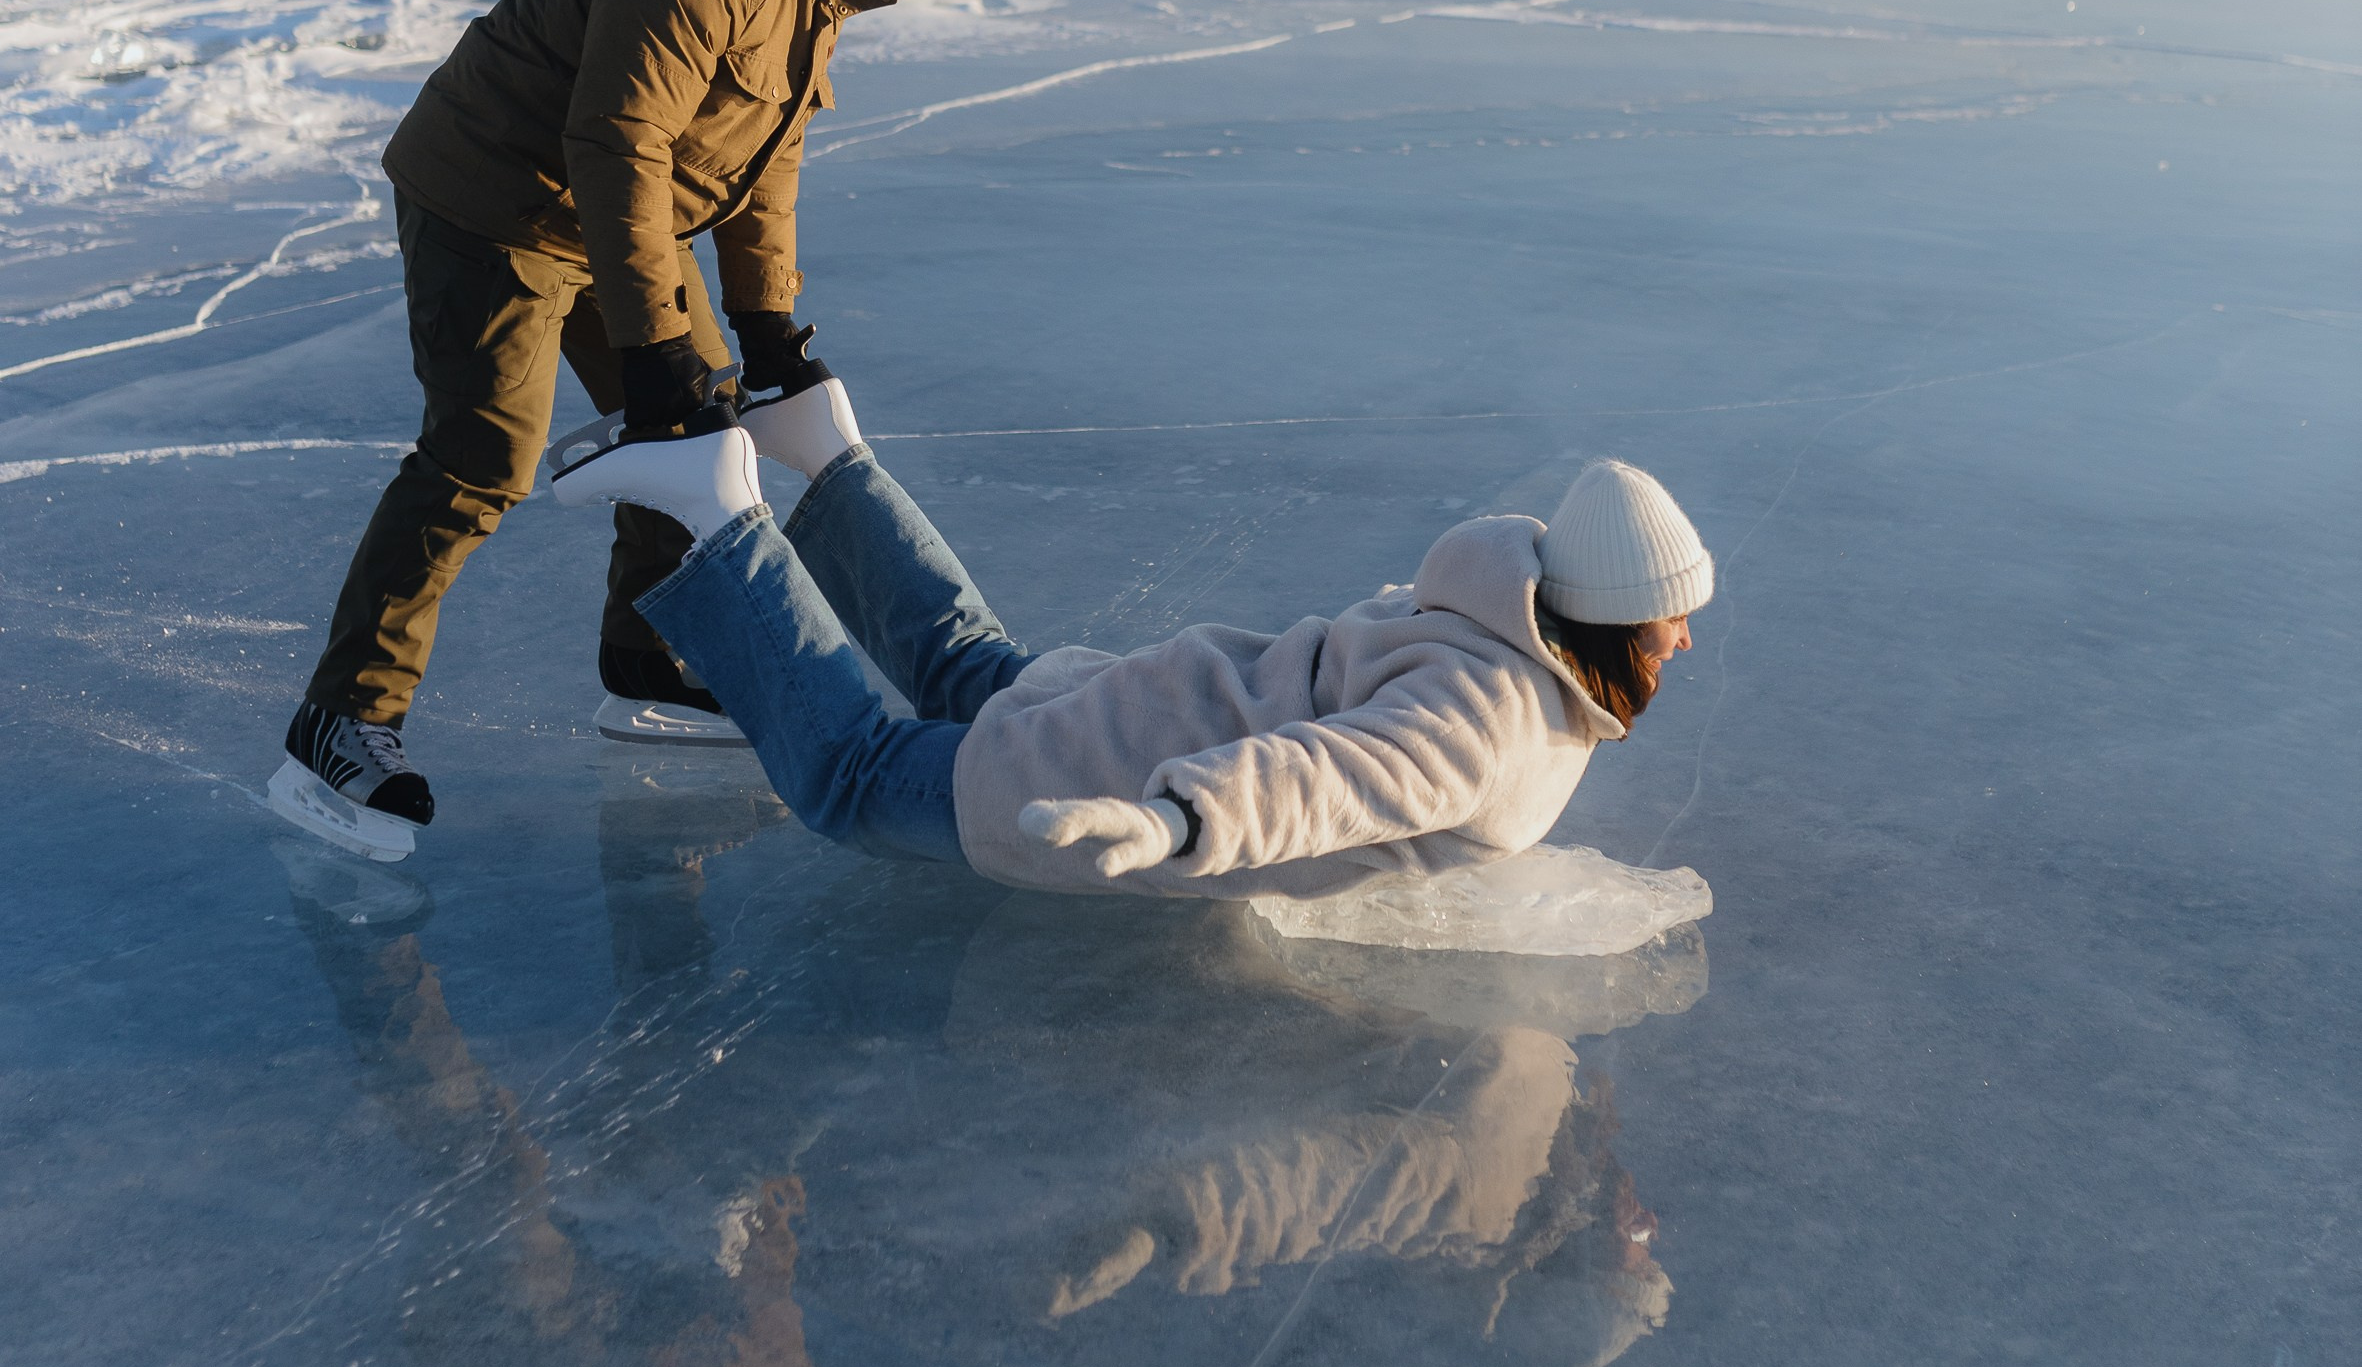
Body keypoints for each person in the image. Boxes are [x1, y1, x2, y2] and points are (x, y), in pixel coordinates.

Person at [276, 0, 947, 842]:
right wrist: (651, 344)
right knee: (483, 456)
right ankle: (339, 724)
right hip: (495, 201)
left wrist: (765, 323)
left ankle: (650, 660)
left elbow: (762, 153)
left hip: (608, 217)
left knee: (701, 417)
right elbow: (618, 142)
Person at [550, 408, 1713, 898]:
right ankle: (718, 517)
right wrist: (1176, 821)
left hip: (1150, 693)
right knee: (853, 777)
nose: (1685, 636)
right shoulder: (1493, 727)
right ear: (1606, 621)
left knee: (973, 668)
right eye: (1670, 618)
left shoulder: (1486, 613)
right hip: (1119, 775)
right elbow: (1328, 778)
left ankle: (826, 446)